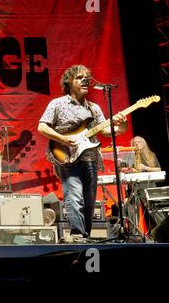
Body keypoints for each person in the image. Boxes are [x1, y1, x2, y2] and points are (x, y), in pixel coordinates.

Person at [38, 65, 128, 243]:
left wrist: (122, 126)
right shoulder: (57, 104)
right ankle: (77, 234)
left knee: (89, 201)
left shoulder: (93, 108)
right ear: (68, 82)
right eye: (79, 77)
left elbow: (106, 131)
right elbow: (42, 127)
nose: (85, 80)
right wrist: (62, 139)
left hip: (90, 157)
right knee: (74, 196)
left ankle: (85, 236)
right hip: (67, 156)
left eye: (87, 77)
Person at [124, 136, 164, 237]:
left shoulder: (151, 155)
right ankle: (134, 234)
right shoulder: (128, 156)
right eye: (134, 143)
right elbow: (121, 169)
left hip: (149, 186)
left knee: (154, 210)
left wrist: (146, 168)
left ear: (144, 143)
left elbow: (158, 170)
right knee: (131, 208)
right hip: (135, 187)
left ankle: (162, 231)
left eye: (139, 142)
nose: (136, 144)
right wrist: (129, 169)